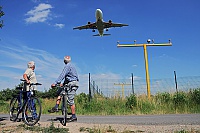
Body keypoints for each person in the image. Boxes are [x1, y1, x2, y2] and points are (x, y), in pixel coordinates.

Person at [48, 55, 79, 122]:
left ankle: (73, 117)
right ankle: (56, 106)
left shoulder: (67, 66)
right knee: (60, 91)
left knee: (70, 100)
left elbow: (62, 74)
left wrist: (55, 83)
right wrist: (63, 83)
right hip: (71, 83)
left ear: (64, 61)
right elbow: (69, 77)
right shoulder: (72, 66)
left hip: (72, 84)